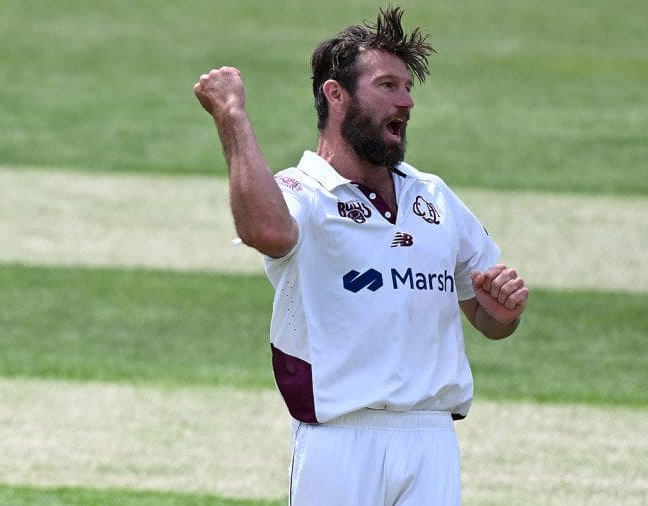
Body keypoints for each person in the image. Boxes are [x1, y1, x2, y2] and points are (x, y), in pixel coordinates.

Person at [194, 6, 528, 505]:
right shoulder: (302, 193)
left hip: (432, 437)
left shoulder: (434, 196)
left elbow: (486, 318)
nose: (407, 100)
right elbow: (264, 228)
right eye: (388, 85)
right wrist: (232, 117)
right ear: (336, 94)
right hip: (339, 439)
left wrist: (501, 313)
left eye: (408, 87)